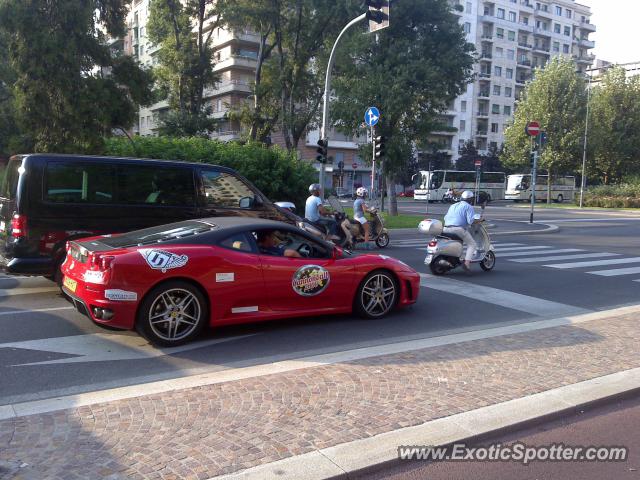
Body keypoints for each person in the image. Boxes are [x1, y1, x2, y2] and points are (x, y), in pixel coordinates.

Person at [443, 190, 480, 273]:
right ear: (471, 199)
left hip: (445, 228)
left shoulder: (453, 205)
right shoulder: (469, 207)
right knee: (472, 244)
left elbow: (445, 218)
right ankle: (467, 263)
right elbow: (470, 221)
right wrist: (479, 220)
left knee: (458, 242)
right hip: (458, 229)